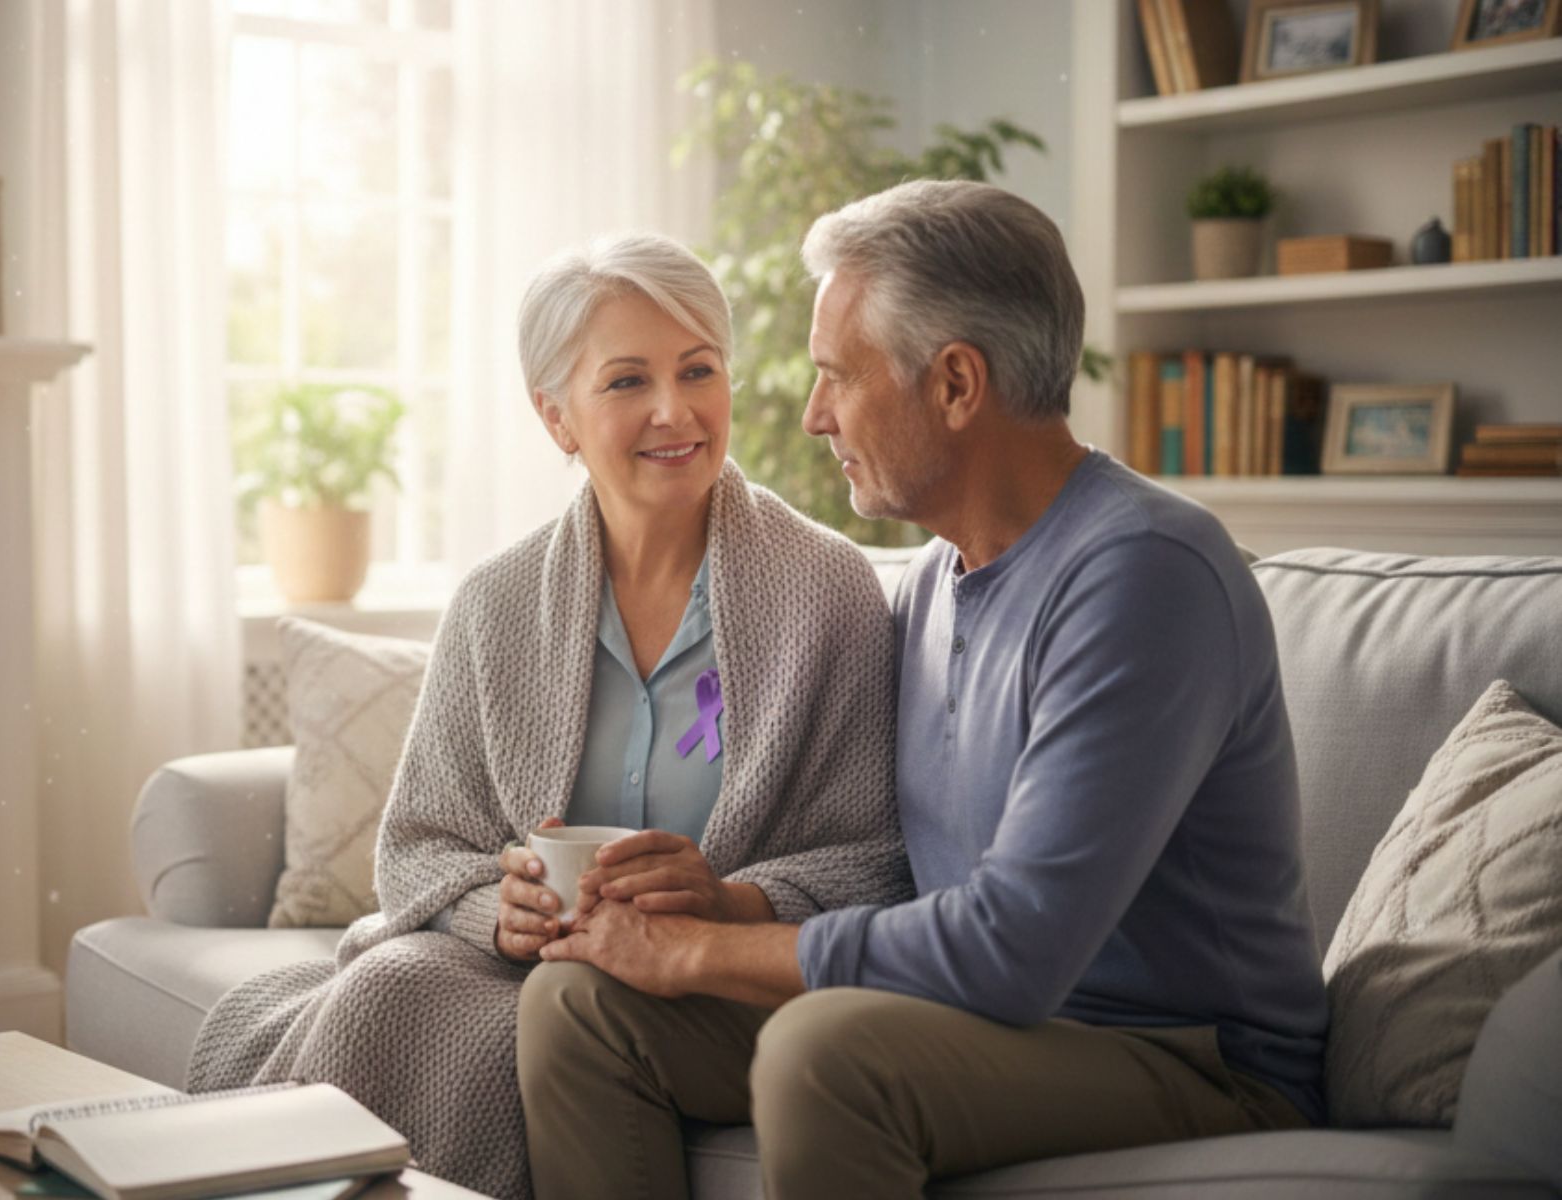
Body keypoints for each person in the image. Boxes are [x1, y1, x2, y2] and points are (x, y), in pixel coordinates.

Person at [521, 181, 1330, 1198]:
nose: (813, 416)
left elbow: (1011, 947)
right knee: (579, 1004)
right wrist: (721, 904)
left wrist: (693, 952)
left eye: (837, 377)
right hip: (975, 1024)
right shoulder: (928, 585)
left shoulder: (1143, 573)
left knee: (828, 1051)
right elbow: (908, 880)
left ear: (954, 384)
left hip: (1189, 1056)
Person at [185, 233, 910, 1200]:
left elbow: (874, 859)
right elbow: (416, 847)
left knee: (485, 1009)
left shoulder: (827, 591)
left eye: (699, 370)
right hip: (525, 973)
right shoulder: (496, 602)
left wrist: (729, 901)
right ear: (555, 416)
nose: (674, 410)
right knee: (394, 986)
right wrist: (502, 909)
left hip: (717, 990)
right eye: (625, 382)